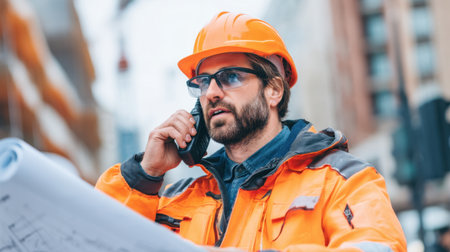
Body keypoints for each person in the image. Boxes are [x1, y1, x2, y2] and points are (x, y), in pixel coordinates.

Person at [96, 11, 407, 251]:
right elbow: (88, 237)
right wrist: (144, 174)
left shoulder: (342, 181)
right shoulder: (174, 198)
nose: (211, 93)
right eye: (202, 82)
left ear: (273, 91)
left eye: (229, 77)